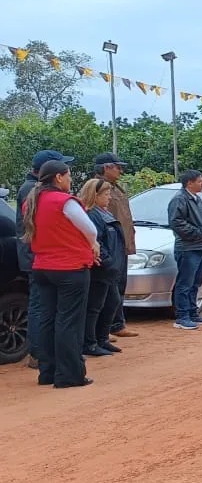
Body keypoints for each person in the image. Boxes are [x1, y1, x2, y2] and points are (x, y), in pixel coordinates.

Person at [23, 160, 98, 388]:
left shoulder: (31, 202)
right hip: (69, 268)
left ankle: (47, 372)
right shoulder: (64, 202)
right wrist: (93, 246)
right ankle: (68, 375)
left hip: (42, 267)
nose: (70, 179)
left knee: (47, 319)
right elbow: (91, 230)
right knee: (69, 322)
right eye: (69, 175)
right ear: (58, 177)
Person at [17, 150, 76, 371]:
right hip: (38, 258)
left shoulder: (32, 189)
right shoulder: (31, 191)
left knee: (43, 307)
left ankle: (44, 353)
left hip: (38, 256)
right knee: (41, 308)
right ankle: (39, 354)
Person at [78, 177, 127, 358]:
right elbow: (96, 242)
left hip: (110, 269)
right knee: (94, 307)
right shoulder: (92, 214)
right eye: (106, 194)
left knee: (111, 302)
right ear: (95, 195)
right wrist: (108, 262)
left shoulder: (103, 212)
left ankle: (101, 339)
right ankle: (89, 343)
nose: (109, 197)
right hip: (100, 270)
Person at [93, 153, 138, 339]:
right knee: (108, 288)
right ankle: (104, 328)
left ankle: (117, 324)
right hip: (110, 246)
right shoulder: (97, 188)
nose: (121, 170)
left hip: (121, 243)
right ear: (106, 168)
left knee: (119, 286)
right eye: (117, 167)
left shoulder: (115, 187)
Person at [167, 170, 202, 330]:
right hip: (188, 247)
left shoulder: (196, 199)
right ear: (189, 183)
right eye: (200, 180)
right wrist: (198, 234)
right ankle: (182, 317)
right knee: (185, 282)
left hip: (200, 245)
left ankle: (192, 313)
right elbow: (177, 222)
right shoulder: (180, 199)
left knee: (195, 282)